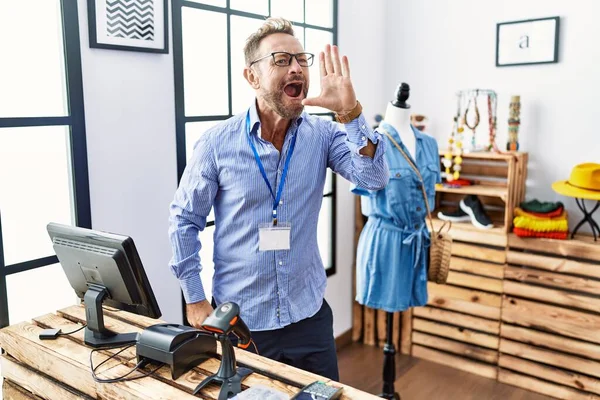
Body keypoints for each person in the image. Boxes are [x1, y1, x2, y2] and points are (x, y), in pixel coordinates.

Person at [168, 17, 388, 381]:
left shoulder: (324, 134)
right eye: (282, 60)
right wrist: (194, 298)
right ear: (252, 77)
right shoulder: (217, 143)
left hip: (309, 317)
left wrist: (350, 113)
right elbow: (184, 220)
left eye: (301, 60)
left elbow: (374, 179)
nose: (297, 68)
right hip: (243, 323)